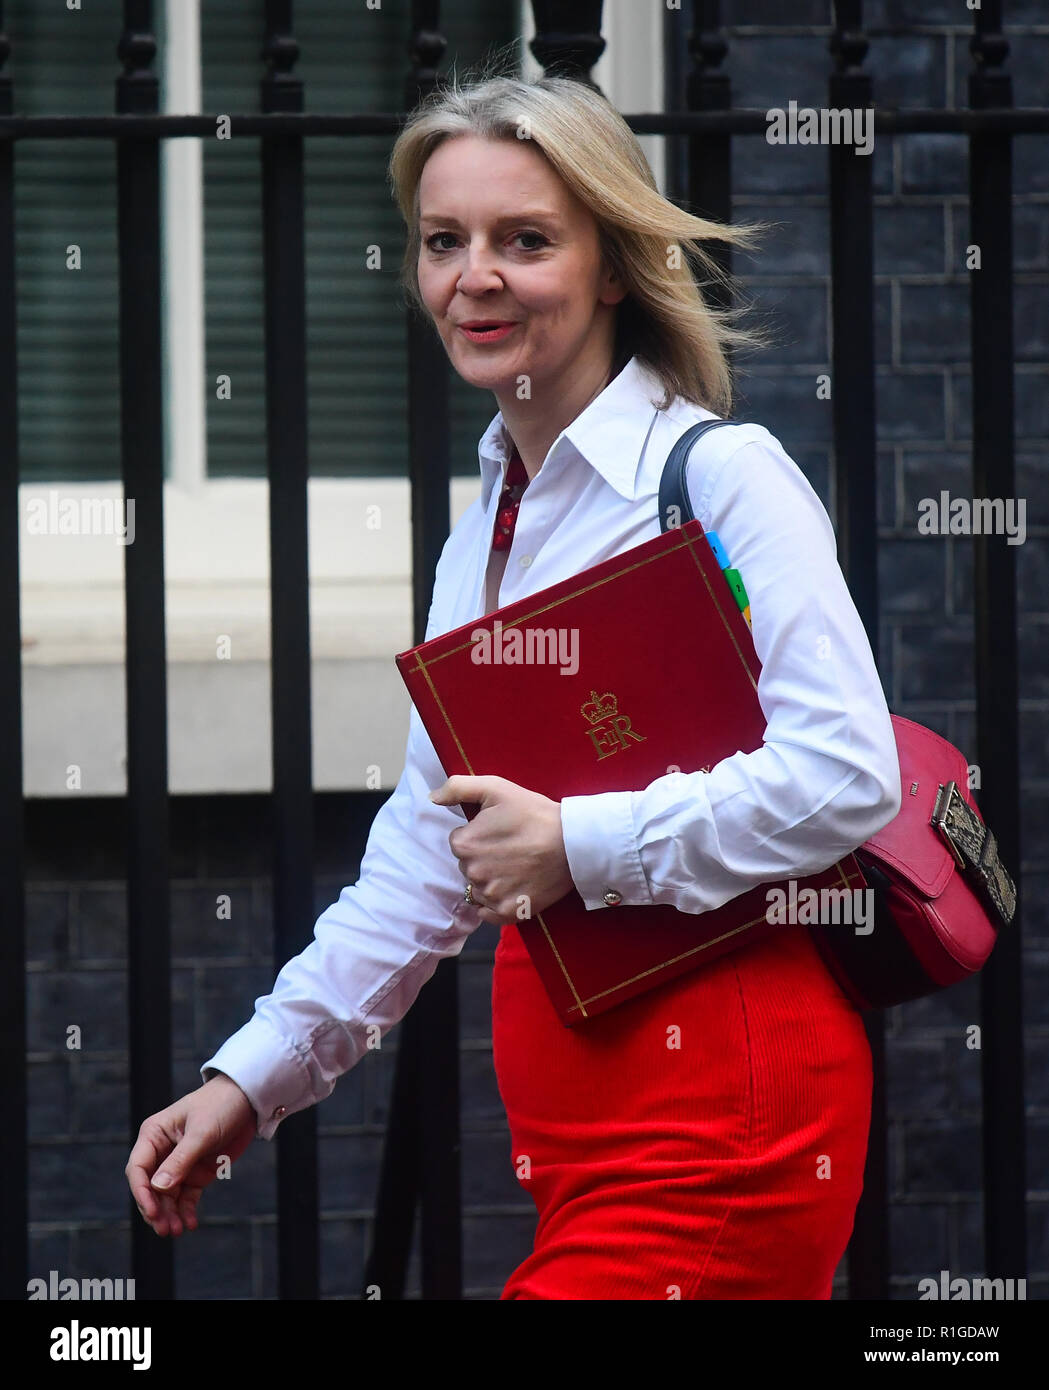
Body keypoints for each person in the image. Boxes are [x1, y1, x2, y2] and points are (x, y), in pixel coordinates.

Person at [126, 70, 901, 1299]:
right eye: (444, 241)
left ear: (610, 266)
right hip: (577, 1137)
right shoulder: (487, 525)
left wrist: (578, 843)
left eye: (523, 240)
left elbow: (846, 772)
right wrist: (250, 1077)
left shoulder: (720, 475)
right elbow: (427, 853)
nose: (470, 277)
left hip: (728, 1113)